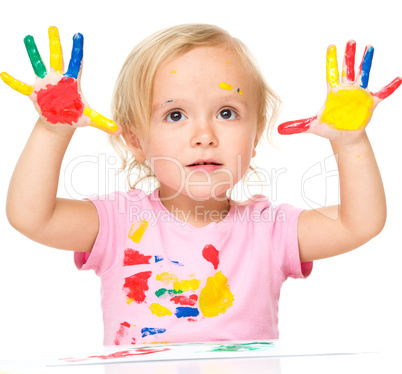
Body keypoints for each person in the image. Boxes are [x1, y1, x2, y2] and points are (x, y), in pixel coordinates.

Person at [3, 24, 400, 346]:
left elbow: (359, 224)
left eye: (227, 112)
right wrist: (51, 131)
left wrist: (350, 142)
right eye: (175, 115)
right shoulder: (116, 223)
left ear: (256, 135)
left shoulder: (270, 230)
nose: (204, 135)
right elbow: (31, 216)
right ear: (136, 141)